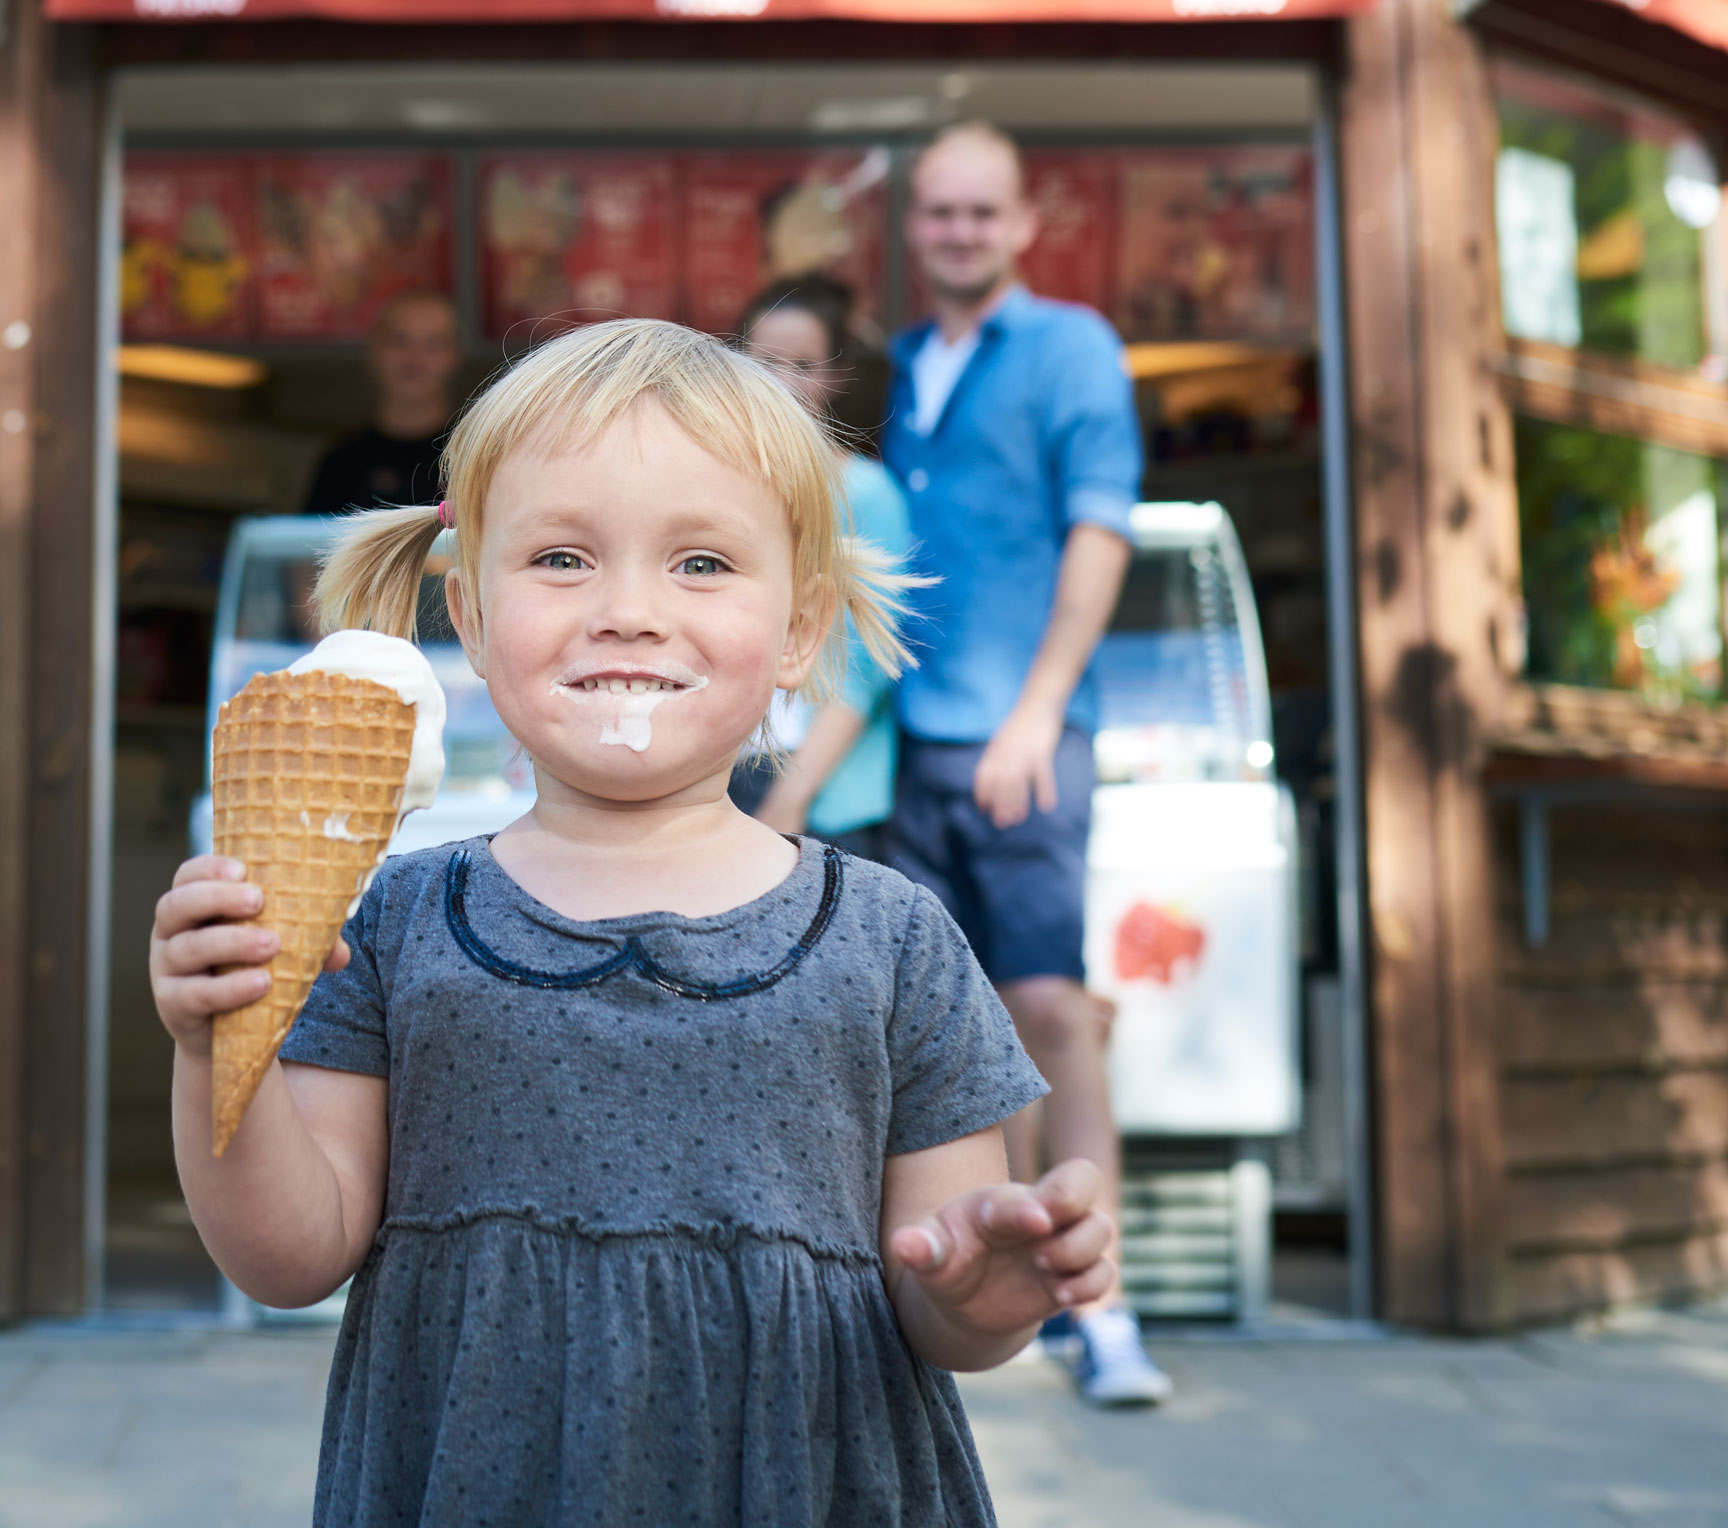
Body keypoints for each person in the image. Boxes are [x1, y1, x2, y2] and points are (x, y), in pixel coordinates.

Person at [152, 319, 1120, 1528]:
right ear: (468, 609)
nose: (627, 610)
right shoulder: (389, 925)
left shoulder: (892, 940)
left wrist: (990, 1289)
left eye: (701, 564)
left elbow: (942, 1305)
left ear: (800, 630)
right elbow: (287, 1258)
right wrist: (210, 1053)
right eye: (560, 558)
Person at [883, 120, 1170, 1409]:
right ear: (913, 228)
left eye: (980, 213)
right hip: (897, 748)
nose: (959, 232)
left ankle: (1102, 1311)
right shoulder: (890, 371)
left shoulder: (1069, 347)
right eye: (939, 213)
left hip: (1020, 740)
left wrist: (1035, 712)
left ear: (1021, 224)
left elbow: (1098, 535)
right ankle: (977, 1292)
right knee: (929, 1035)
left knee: (1050, 1010)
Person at [734, 273, 913, 862]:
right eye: (765, 361)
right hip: (722, 780)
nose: (783, 382)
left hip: (821, 796)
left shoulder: (867, 495)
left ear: (834, 377)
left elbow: (866, 667)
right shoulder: (713, 486)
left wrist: (791, 798)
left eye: (805, 365)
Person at [303, 289, 461, 513]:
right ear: (375, 351)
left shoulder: (475, 458)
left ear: (455, 356)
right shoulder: (342, 461)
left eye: (433, 344)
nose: (415, 358)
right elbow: (305, 542)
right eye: (399, 341)